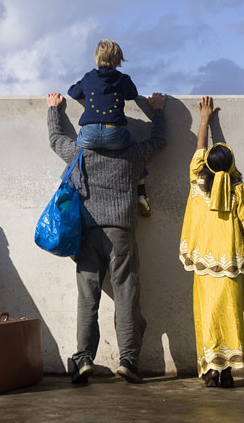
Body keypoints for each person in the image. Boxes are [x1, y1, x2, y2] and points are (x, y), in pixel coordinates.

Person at [45, 91, 167, 384]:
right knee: (126, 295)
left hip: (87, 233)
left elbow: (54, 139)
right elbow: (159, 141)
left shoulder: (80, 153)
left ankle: (84, 358)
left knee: (88, 298)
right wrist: (158, 112)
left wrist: (54, 110)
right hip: (121, 232)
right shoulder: (132, 153)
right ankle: (128, 361)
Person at [179, 96, 244, 388]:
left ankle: (211, 370)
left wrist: (204, 120)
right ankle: (227, 372)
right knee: (230, 315)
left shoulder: (197, 182)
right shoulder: (239, 191)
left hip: (204, 266)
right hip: (230, 265)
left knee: (206, 316)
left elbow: (200, 149)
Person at [67, 39, 152, 217]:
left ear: (97, 58)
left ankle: (69, 189)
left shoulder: (89, 77)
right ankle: (141, 193)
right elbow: (133, 94)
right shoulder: (122, 79)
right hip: (114, 132)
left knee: (75, 156)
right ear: (118, 59)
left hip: (89, 132)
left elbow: (73, 92)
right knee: (136, 153)